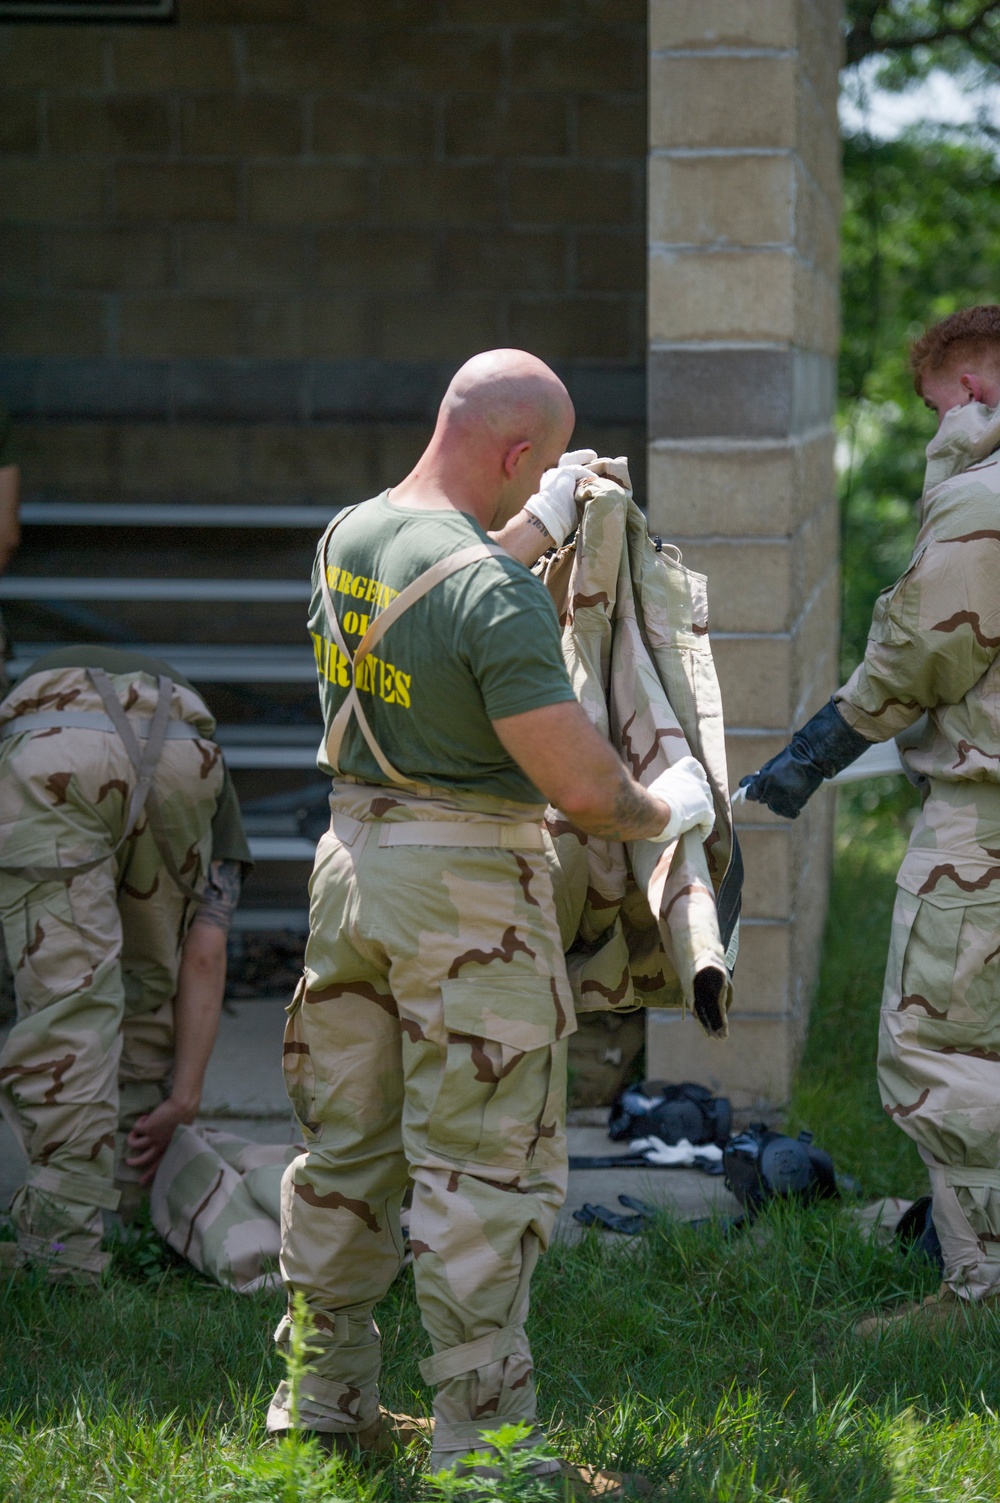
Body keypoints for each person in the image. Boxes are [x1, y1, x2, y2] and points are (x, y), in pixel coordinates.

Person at [267, 348, 715, 1488]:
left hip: (353, 871)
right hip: (467, 904)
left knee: (347, 1150)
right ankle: (489, 1446)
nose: (536, 495)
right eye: (537, 476)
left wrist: (532, 535)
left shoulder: (351, 534)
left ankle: (321, 1401)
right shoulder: (492, 591)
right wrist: (666, 804)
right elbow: (580, 790)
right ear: (518, 453)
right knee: (482, 1175)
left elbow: (443, 600)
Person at [741, 305, 1000, 1332]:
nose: (945, 427)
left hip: (983, 830)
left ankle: (979, 1296)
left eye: (945, 408)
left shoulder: (982, 501)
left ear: (975, 396)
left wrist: (808, 759)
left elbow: (916, 656)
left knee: (940, 1053)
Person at [0, 645, 251, 1284]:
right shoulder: (210, 759)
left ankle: (60, 1257)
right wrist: (185, 1097)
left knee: (69, 1004)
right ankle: (130, 1218)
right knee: (146, 986)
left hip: (49, 746)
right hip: (182, 755)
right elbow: (204, 950)